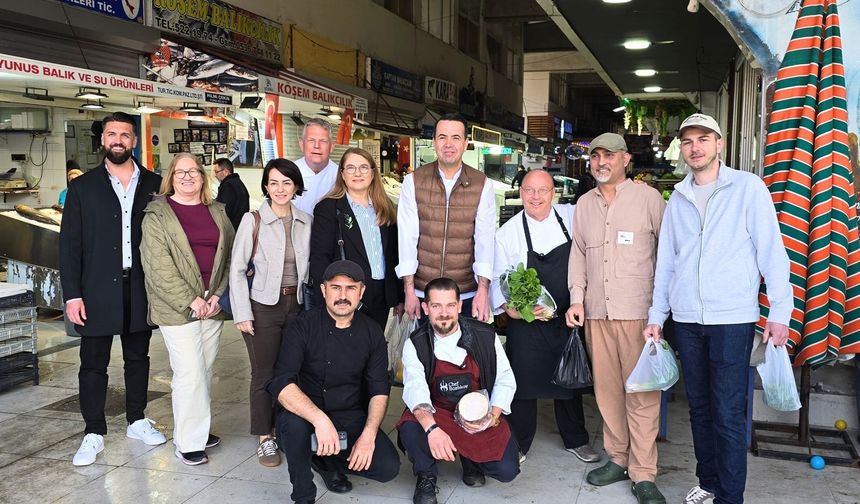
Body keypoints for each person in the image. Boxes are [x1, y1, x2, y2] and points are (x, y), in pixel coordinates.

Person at [643, 113, 792, 504]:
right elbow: (668, 263)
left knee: (727, 414)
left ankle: (729, 497)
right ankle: (707, 482)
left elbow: (771, 252)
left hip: (732, 320)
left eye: (703, 139)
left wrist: (780, 311)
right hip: (687, 319)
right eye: (689, 141)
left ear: (720, 144)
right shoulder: (677, 197)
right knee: (699, 409)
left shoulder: (747, 188)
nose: (696, 147)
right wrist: (657, 316)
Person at [59, 112, 166, 466]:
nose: (118, 139)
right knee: (93, 364)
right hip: (96, 289)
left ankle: (136, 419)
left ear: (134, 141)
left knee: (138, 358)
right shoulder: (83, 187)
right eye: (111, 134)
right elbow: (70, 246)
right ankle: (93, 431)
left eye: (125, 134)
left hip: (141, 286)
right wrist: (72, 294)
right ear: (103, 140)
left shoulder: (156, 185)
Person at [565, 133, 667, 504]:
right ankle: (618, 459)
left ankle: (644, 473)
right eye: (595, 156)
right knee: (607, 394)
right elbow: (578, 254)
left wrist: (660, 311)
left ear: (625, 159)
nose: (601, 162)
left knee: (641, 394)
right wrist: (577, 299)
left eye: (609, 155)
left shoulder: (649, 199)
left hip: (639, 314)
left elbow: (668, 254)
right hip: (596, 313)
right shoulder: (584, 204)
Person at [267, 260, 400, 504]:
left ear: (361, 292)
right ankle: (303, 495)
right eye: (336, 287)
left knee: (387, 467)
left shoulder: (372, 332)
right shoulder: (302, 326)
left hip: (349, 413)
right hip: (306, 414)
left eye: (350, 288)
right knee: (293, 428)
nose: (342, 295)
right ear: (323, 290)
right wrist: (319, 420)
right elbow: (282, 383)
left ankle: (325, 459)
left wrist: (368, 435)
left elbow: (379, 389)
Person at [491, 169, 597, 464]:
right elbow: (499, 278)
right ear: (520, 193)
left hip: (565, 318)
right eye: (529, 190)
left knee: (570, 380)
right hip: (526, 323)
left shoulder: (571, 217)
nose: (536, 197)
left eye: (543, 190)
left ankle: (577, 439)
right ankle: (520, 443)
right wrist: (509, 308)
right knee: (521, 382)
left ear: (554, 192)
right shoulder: (508, 232)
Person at [140, 153, 234, 465]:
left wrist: (218, 295)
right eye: (180, 172)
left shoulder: (217, 211)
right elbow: (158, 267)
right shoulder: (157, 215)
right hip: (176, 306)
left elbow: (232, 256)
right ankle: (189, 442)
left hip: (213, 303)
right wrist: (192, 299)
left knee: (204, 371)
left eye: (193, 171)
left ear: (203, 177)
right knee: (189, 373)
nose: (187, 177)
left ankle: (199, 427)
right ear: (171, 177)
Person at [398, 277, 519, 504]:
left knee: (506, 470)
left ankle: (470, 460)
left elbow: (505, 378)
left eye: (450, 305)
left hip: (479, 414)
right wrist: (432, 429)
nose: (444, 313)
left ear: (459, 306)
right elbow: (415, 389)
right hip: (439, 412)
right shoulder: (416, 343)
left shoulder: (485, 335)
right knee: (411, 428)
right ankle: (426, 476)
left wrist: (492, 416)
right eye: (436, 306)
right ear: (425, 308)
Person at [229, 158, 312, 467]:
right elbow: (236, 270)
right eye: (274, 182)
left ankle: (288, 430)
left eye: (287, 183)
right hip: (263, 305)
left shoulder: (305, 220)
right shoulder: (253, 220)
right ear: (265, 186)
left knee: (291, 371)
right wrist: (242, 312)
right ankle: (265, 437)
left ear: (295, 187)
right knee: (264, 372)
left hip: (297, 304)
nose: (280, 189)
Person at [396, 113, 496, 322]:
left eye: (456, 138)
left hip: (465, 294)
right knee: (425, 352)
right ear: (433, 142)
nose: (448, 144)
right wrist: (409, 290)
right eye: (442, 137)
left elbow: (485, 241)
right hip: (425, 293)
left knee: (464, 354)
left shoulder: (482, 184)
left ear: (466, 143)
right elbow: (407, 238)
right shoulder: (413, 181)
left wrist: (483, 291)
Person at [310, 147, 403, 331]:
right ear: (342, 174)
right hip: (346, 296)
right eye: (351, 168)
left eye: (364, 167)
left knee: (374, 350)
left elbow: (393, 255)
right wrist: (328, 299)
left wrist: (398, 296)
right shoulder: (328, 209)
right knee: (347, 353)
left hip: (381, 295)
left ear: (373, 173)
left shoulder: (386, 208)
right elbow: (320, 258)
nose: (357, 173)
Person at [292, 118, 338, 215]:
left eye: (323, 141)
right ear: (301, 144)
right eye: (311, 140)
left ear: (332, 146)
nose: (317, 146)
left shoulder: (341, 176)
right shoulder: (288, 173)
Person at [213, 157, 250, 230]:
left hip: (231, 229)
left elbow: (223, 210)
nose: (215, 175)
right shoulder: (237, 182)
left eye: (216, 172)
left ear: (226, 172)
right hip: (240, 227)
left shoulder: (228, 186)